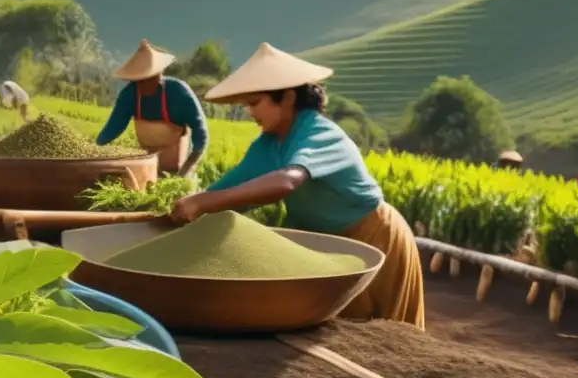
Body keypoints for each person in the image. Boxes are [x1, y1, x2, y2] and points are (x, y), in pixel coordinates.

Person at [169, 42, 425, 329]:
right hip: (325, 246)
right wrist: (190, 206)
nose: (250, 113)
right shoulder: (268, 145)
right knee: (335, 329)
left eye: (255, 103)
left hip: (373, 238)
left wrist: (203, 203)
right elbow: (227, 190)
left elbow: (287, 181)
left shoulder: (320, 133)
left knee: (384, 333)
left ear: (288, 98)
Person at [96, 39, 209, 177]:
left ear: (159, 75)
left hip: (178, 170)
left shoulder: (179, 93)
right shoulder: (129, 95)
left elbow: (200, 135)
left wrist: (186, 170)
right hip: (147, 168)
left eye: (148, 79)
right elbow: (113, 127)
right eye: (139, 81)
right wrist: (95, 148)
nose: (143, 85)